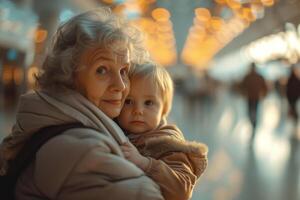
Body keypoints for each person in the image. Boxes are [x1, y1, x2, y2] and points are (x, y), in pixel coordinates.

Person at [0, 8, 164, 200]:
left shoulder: (51, 124)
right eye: (102, 70)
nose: (120, 85)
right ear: (69, 76)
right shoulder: (83, 150)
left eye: (124, 71)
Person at [117, 62, 208, 200]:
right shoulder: (119, 129)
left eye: (148, 103)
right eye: (128, 101)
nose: (138, 111)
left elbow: (182, 190)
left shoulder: (168, 144)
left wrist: (145, 164)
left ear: (164, 109)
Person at [241, 62, 268, 140]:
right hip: (252, 97)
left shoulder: (250, 77)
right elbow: (242, 86)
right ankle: (253, 124)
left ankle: (253, 125)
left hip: (253, 97)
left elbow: (265, 87)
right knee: (252, 112)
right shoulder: (250, 77)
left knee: (252, 112)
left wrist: (263, 94)